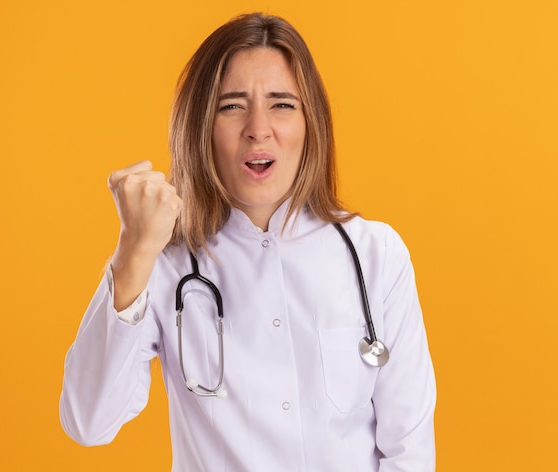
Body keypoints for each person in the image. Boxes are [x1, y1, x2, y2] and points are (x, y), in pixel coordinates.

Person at [60, 12, 436, 471]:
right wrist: (134, 251)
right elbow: (88, 422)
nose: (258, 127)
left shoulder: (376, 255)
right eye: (232, 105)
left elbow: (409, 452)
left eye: (282, 104)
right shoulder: (164, 266)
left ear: (310, 123)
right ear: (202, 127)